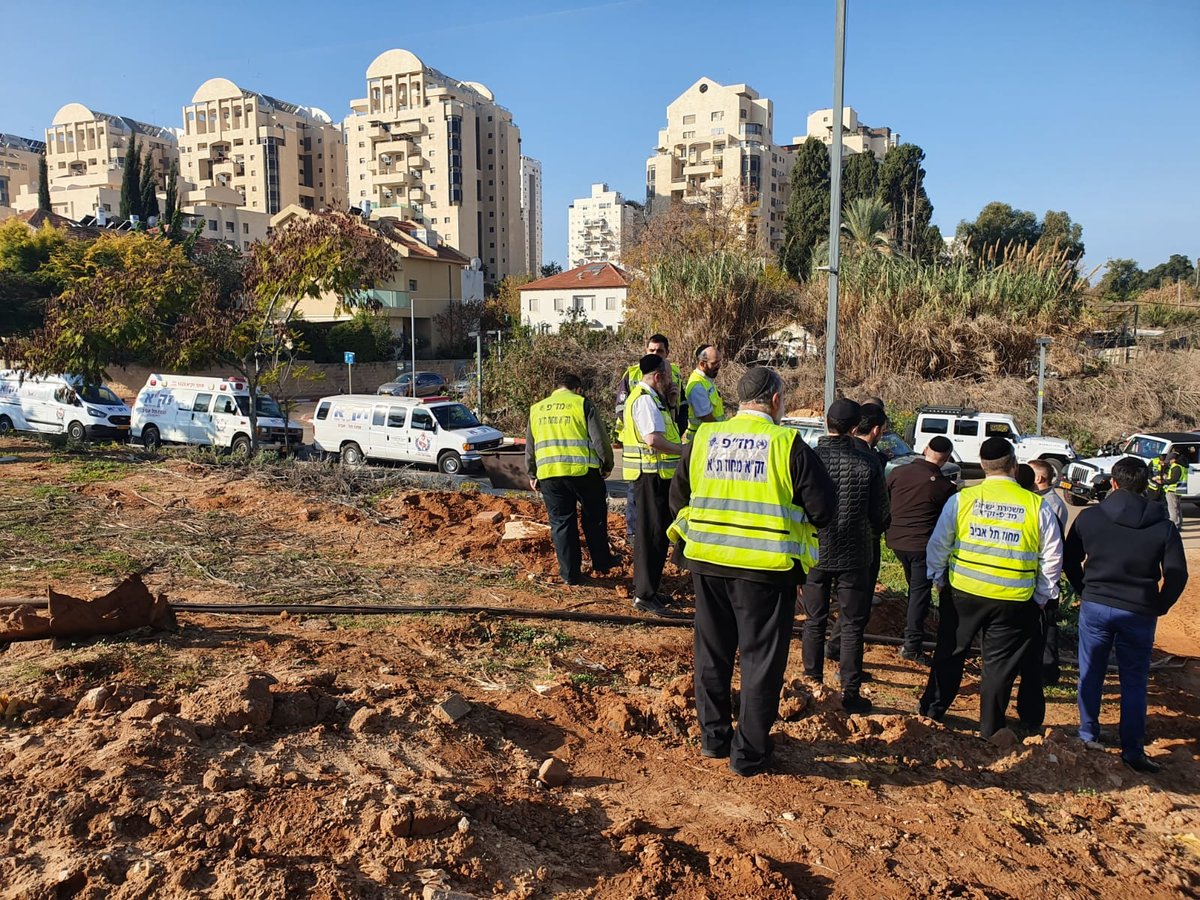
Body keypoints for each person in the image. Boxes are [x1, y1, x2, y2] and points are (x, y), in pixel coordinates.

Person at [668, 367, 836, 776]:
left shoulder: (704, 438)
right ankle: (749, 754)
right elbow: (824, 509)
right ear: (776, 400)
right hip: (766, 569)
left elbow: (677, 497)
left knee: (711, 651)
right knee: (761, 661)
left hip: (708, 564)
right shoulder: (787, 444)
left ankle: (714, 739)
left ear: (738, 400)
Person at [919, 437, 1063, 739]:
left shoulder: (962, 499)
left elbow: (939, 544)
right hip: (1013, 599)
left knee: (950, 652)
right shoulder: (1035, 505)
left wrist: (939, 579)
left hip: (963, 594)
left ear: (983, 467)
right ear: (1013, 464)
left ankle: (932, 710)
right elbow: (1051, 557)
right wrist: (1041, 596)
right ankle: (991, 728)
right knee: (998, 666)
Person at [1065, 456, 1187, 774]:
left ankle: (1088, 733)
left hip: (1096, 604)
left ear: (1114, 483)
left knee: (1091, 670)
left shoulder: (1090, 518)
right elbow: (1176, 574)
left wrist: (1083, 589)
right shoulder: (1163, 526)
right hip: (1139, 610)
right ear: (1145, 485)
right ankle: (1132, 748)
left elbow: (1069, 559)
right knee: (1134, 680)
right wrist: (1160, 604)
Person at [801, 398, 889, 713]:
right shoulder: (869, 464)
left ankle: (811, 683)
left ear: (826, 422)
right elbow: (881, 515)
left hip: (815, 550)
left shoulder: (809, 458)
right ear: (855, 428)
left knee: (814, 620)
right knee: (852, 625)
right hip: (856, 554)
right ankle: (850, 693)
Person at [526, 373, 619, 585]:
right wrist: (606, 465)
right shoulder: (582, 404)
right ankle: (602, 563)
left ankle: (570, 575)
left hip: (550, 475)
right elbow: (600, 439)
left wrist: (532, 473)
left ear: (556, 388)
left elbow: (530, 446)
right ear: (577, 389)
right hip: (584, 473)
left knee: (561, 524)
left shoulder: (537, 408)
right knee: (594, 519)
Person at [619, 353, 683, 616]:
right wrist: (683, 450)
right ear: (657, 376)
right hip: (649, 477)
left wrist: (671, 402)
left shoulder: (654, 400)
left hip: (656, 478)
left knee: (657, 537)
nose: (670, 380)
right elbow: (653, 440)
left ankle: (650, 590)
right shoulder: (645, 401)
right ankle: (644, 595)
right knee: (650, 537)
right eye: (667, 376)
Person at [885, 435, 956, 664]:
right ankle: (912, 644)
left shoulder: (897, 473)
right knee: (919, 593)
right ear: (945, 459)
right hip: (921, 546)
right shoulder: (945, 487)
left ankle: (914, 630)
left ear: (925, 449)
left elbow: (885, 501)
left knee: (914, 589)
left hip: (896, 541)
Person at [617, 335, 682, 540]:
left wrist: (670, 402)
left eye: (659, 351)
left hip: (660, 463)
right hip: (647, 463)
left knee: (655, 524)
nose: (654, 353)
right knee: (645, 522)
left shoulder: (675, 377)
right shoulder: (634, 379)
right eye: (651, 350)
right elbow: (650, 435)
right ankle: (634, 534)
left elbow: (678, 414)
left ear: (667, 353)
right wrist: (682, 449)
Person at [1023, 459, 1069, 690]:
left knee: (1047, 626)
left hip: (1045, 574)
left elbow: (1052, 546)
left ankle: (1049, 669)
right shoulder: (1038, 501)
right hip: (1033, 573)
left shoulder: (1050, 504)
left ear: (1039, 478)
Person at [683, 344, 725, 443]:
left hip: (709, 436)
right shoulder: (698, 386)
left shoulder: (706, 380)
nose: (718, 366)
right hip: (700, 439)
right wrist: (724, 433)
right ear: (702, 364)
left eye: (719, 362)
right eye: (714, 363)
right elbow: (707, 418)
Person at [1162, 451, 1185, 531]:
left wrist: (1163, 481)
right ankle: (1179, 523)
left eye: (1169, 460)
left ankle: (1174, 525)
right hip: (1180, 488)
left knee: (1172, 509)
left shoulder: (1176, 467)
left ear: (1173, 460)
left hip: (1172, 490)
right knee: (1177, 507)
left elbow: (1173, 479)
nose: (1168, 462)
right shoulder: (1182, 466)